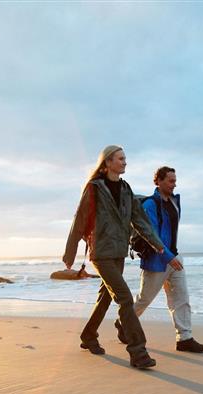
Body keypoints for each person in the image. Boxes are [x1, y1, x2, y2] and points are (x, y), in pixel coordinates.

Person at [63, 145, 174, 369]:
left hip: (119, 252)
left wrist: (158, 244)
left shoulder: (125, 188)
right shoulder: (94, 188)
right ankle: (138, 352)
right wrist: (70, 251)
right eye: (121, 159)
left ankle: (88, 335)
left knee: (105, 297)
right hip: (101, 253)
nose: (125, 162)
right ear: (108, 162)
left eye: (125, 159)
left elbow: (139, 219)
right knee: (124, 298)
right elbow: (79, 219)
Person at [116, 166, 203, 353]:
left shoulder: (174, 202)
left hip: (174, 257)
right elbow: (152, 236)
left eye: (175, 180)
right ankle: (123, 323)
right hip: (157, 259)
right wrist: (167, 256)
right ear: (158, 181)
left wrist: (173, 256)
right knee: (144, 300)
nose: (175, 184)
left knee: (181, 299)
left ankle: (184, 338)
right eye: (171, 180)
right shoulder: (150, 205)